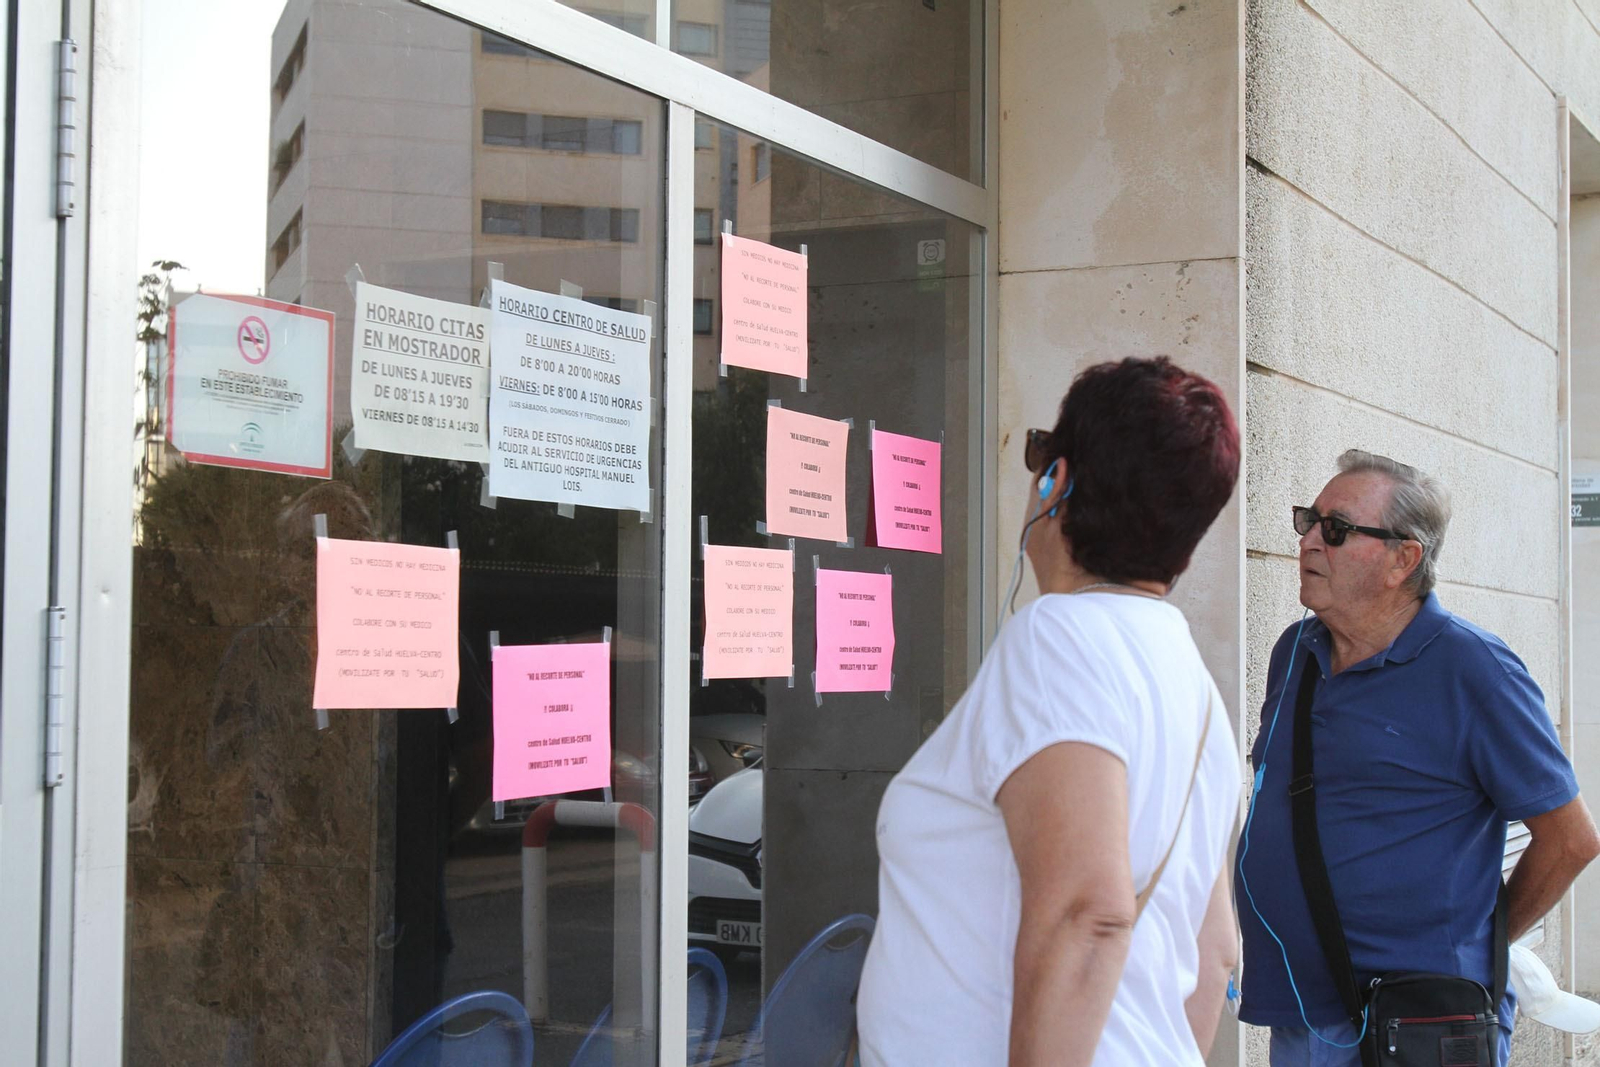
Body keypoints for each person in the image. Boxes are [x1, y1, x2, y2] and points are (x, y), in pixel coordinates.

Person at [856, 356, 1243, 1066]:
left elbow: (1087, 911)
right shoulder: (1193, 682)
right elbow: (1215, 951)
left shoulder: (1058, 637)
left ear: (1056, 482)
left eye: (1040, 452)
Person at [1236, 450, 1600, 1065]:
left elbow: (1570, 839)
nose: (1309, 543)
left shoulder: (1475, 669)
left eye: (1338, 529)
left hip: (1421, 1019)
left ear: (1404, 559)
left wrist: (1487, 948)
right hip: (1301, 1009)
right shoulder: (1295, 651)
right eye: (1309, 520)